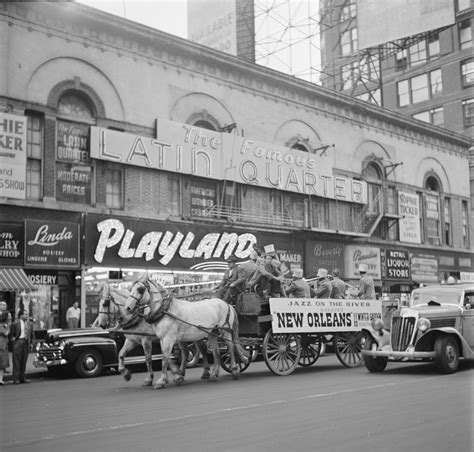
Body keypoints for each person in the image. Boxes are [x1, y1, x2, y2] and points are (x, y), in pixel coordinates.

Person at [9, 309, 34, 384]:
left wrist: (31, 343)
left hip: (26, 342)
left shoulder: (30, 324)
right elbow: (11, 335)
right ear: (21, 315)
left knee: (24, 360)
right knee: (16, 361)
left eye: (27, 314)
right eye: (25, 314)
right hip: (18, 341)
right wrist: (14, 342)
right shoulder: (15, 323)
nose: (27, 315)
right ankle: (16, 378)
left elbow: (32, 335)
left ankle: (22, 377)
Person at [0, 303, 10, 385]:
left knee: (3, 362)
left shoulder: (6, 324)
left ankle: (0, 379)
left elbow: (7, 332)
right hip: (2, 343)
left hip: (3, 344)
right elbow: (6, 332)